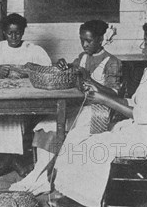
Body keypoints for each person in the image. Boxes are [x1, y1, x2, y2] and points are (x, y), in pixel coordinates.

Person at [14, 19, 147, 207]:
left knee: (92, 146)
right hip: (134, 129)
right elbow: (134, 102)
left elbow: (143, 115)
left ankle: (86, 201)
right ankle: (72, 193)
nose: (142, 46)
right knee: (82, 142)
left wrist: (103, 97)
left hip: (146, 140)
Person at [13, 20, 122, 193]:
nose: (84, 44)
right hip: (79, 108)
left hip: (98, 113)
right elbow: (73, 71)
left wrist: (89, 79)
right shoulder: (83, 57)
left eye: (89, 41)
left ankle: (41, 178)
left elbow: (115, 95)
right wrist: (64, 65)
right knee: (45, 127)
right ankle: (40, 177)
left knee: (61, 130)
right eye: (82, 40)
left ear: (101, 39)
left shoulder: (112, 62)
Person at [0, 13, 52, 179]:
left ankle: (9, 160)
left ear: (23, 32)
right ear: (4, 32)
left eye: (17, 33)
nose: (14, 36)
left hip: (24, 98)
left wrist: (30, 69)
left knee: (15, 115)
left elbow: (49, 72)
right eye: (10, 33)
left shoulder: (33, 50)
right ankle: (8, 159)